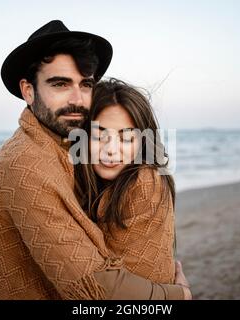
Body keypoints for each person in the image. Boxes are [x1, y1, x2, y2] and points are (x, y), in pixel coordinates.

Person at [0, 20, 191, 300]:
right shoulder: (25, 164)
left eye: (85, 84)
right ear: (28, 91)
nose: (77, 99)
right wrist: (178, 297)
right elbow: (93, 289)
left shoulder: (68, 152)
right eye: (60, 84)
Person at [74, 79, 178, 284]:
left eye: (127, 138)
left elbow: (115, 282)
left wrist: (178, 293)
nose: (111, 149)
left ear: (143, 142)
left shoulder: (146, 181)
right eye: (99, 135)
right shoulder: (83, 184)